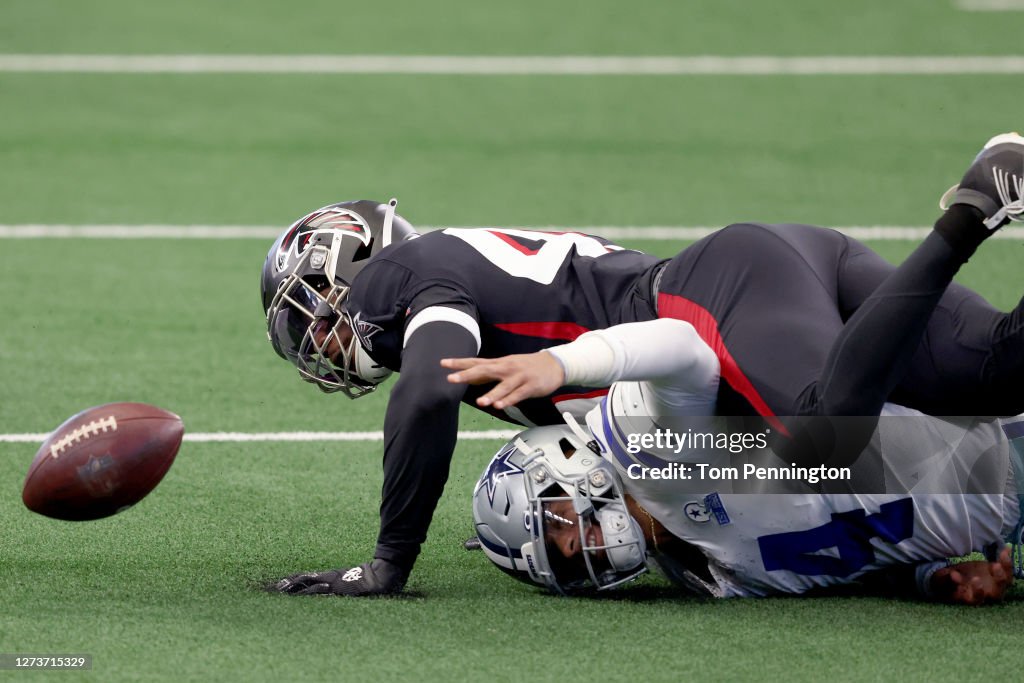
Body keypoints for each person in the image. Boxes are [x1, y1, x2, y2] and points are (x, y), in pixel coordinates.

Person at [263, 134, 1024, 597]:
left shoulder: (404, 273)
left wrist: (388, 561)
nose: (319, 344)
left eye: (311, 317)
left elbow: (429, 393)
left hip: (706, 300)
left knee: (822, 433)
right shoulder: (451, 281)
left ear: (350, 266)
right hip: (754, 281)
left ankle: (971, 206)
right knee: (995, 372)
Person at [452, 317, 1023, 604]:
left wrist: (564, 363)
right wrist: (927, 578)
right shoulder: (695, 573)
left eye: (567, 535)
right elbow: (837, 553)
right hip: (1001, 518)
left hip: (996, 434)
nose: (589, 552)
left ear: (568, 465)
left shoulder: (648, 449)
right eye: (567, 562)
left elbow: (679, 344)